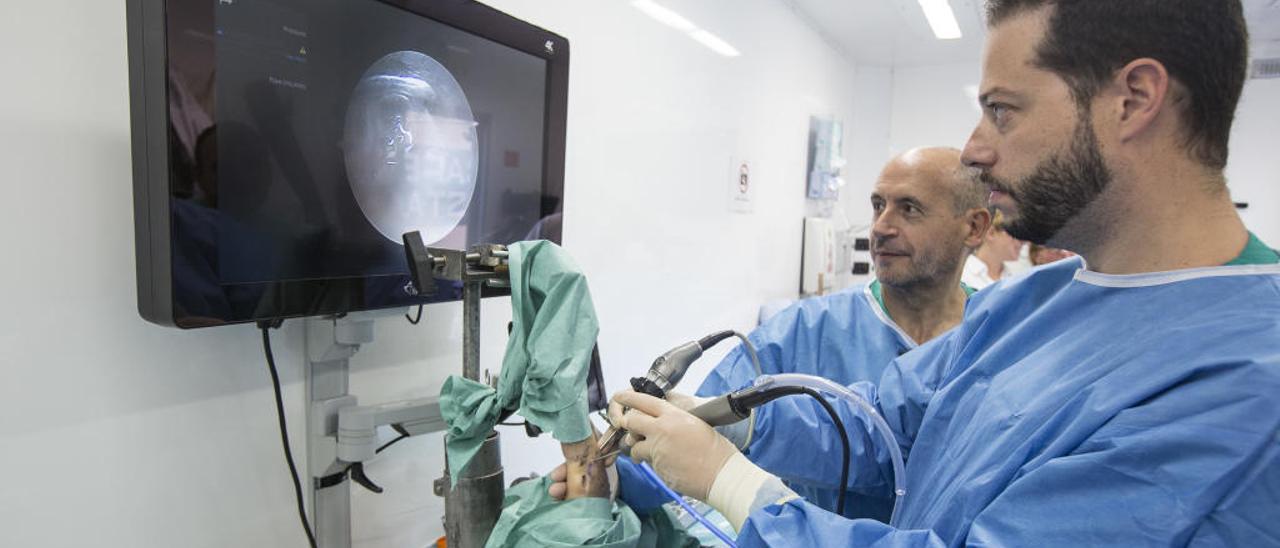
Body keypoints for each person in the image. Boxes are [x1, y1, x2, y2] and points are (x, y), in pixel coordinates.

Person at [603, 1, 1280, 545]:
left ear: (1133, 99)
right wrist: (726, 423)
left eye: (1002, 110)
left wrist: (736, 487)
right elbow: (886, 422)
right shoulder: (1043, 298)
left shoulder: (1245, 379)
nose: (977, 151)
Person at [550, 147, 993, 520]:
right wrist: (611, 479)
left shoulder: (999, 336)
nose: (881, 226)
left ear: (973, 227)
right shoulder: (804, 331)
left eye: (909, 208)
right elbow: (695, 433)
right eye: (878, 206)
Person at [961, 213, 1024, 289]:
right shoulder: (962, 272)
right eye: (1015, 234)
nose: (1022, 241)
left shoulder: (1015, 279)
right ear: (991, 233)